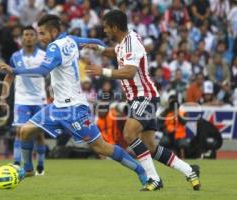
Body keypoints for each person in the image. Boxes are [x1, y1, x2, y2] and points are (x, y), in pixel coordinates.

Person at [0, 14, 149, 189]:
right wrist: (98, 48)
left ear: (54, 31)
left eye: (42, 33)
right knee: (25, 131)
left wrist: (14, 70)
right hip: (57, 106)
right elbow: (97, 42)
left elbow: (42, 71)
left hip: (74, 109)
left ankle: (141, 171)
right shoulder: (71, 39)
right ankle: (28, 170)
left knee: (101, 148)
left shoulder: (55, 47)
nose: (40, 38)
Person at [84, 10, 200, 191]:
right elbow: (115, 53)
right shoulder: (124, 42)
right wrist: (98, 49)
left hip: (145, 96)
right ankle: (189, 170)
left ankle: (154, 179)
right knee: (151, 147)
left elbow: (129, 71)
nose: (104, 31)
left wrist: (103, 71)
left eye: (106, 27)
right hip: (138, 99)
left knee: (129, 134)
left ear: (114, 27)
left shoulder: (132, 43)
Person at [0, 26, 47, 176]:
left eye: (31, 35)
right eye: (25, 35)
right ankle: (17, 163)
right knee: (20, 131)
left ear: (36, 37)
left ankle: (40, 164)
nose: (28, 37)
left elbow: (50, 75)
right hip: (22, 99)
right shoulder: (15, 57)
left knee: (38, 134)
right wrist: (3, 97)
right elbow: (9, 77)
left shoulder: (43, 56)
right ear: (21, 38)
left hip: (39, 100)